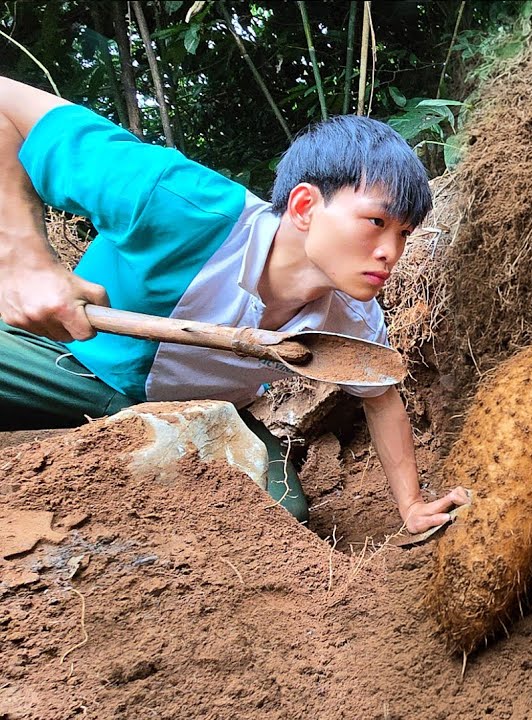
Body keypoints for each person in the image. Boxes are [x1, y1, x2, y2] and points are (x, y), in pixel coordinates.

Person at [0, 76, 467, 533]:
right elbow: (7, 103)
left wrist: (411, 506)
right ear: (304, 207)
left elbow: (382, 400)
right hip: (71, 365)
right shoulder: (177, 204)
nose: (391, 251)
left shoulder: (355, 318)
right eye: (375, 221)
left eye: (403, 233)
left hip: (204, 415)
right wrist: (23, 258)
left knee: (282, 517)